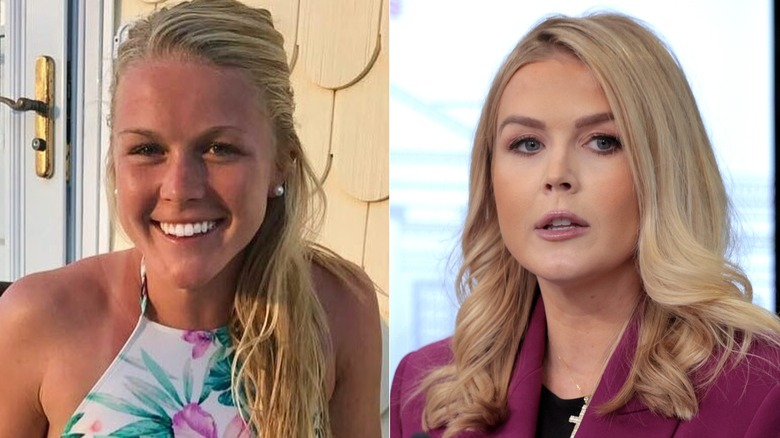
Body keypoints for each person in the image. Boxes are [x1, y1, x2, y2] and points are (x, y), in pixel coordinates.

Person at [0, 1, 382, 437]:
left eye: (219, 148)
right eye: (147, 150)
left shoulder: (339, 310)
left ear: (281, 162)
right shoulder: (39, 320)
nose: (180, 188)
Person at [390, 12, 780, 438]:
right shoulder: (426, 390)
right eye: (527, 144)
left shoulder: (763, 390)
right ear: (489, 178)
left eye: (602, 141)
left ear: (664, 170)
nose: (557, 174)